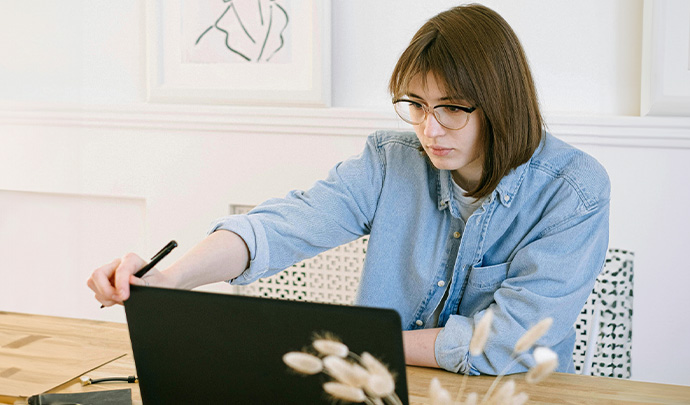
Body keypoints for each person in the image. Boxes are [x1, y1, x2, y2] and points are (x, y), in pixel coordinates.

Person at [88, 4, 609, 376]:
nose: (429, 130)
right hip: (379, 387)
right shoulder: (390, 160)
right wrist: (171, 278)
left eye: (452, 107)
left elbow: (508, 344)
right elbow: (282, 226)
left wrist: (360, 346)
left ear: (500, 102)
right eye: (417, 105)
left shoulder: (573, 190)